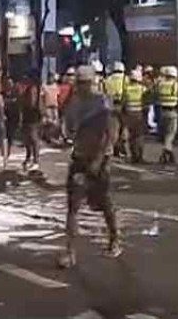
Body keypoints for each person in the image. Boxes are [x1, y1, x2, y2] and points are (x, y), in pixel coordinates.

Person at [58, 66, 121, 267]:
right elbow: (69, 127)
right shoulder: (74, 102)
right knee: (73, 206)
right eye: (79, 82)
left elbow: (110, 133)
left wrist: (100, 159)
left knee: (104, 203)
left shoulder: (102, 102)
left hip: (99, 160)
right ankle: (70, 251)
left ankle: (114, 239)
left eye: (85, 83)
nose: (81, 86)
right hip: (80, 158)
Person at [154, 65, 178, 164]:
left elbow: (155, 95)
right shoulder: (176, 85)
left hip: (162, 112)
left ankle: (170, 154)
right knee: (171, 134)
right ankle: (166, 151)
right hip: (173, 112)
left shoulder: (160, 85)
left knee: (165, 133)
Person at [121, 67, 148, 163]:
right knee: (139, 136)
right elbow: (146, 101)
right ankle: (139, 156)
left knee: (131, 136)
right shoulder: (142, 89)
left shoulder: (126, 89)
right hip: (139, 114)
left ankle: (133, 155)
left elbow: (123, 103)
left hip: (129, 114)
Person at [20, 69, 44, 173]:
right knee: (28, 138)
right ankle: (29, 158)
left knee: (33, 138)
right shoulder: (30, 88)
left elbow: (32, 103)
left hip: (32, 115)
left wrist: (23, 101)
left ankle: (35, 160)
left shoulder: (33, 88)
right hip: (29, 115)